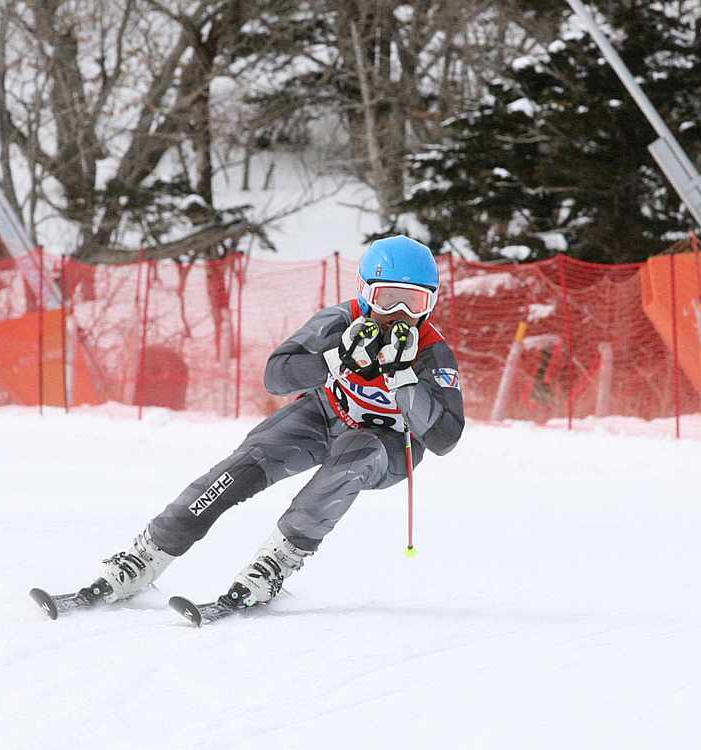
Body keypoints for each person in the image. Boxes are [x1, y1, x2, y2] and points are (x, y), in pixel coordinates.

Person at [79, 235, 464, 611]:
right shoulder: (341, 320)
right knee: (245, 464)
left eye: (413, 302)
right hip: (327, 414)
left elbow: (445, 439)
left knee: (353, 456)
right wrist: (333, 360)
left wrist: (404, 380)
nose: (399, 314)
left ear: (429, 305)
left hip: (388, 446)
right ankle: (145, 555)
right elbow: (276, 376)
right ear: (365, 293)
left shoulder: (432, 352)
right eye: (387, 298)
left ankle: (274, 563)